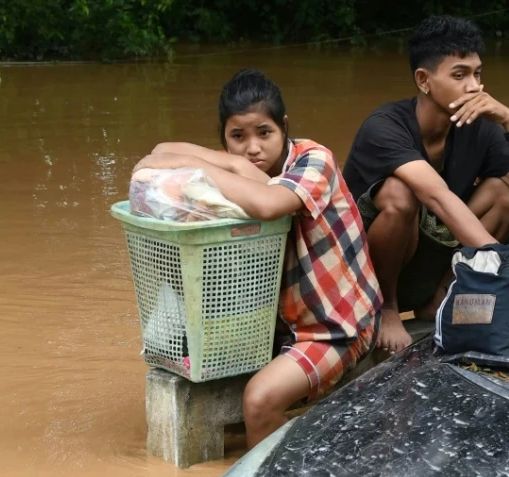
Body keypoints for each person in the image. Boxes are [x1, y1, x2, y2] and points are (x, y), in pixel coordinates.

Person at [132, 68, 383, 448]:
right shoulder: (235, 165)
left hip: (338, 326)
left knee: (259, 401)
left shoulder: (315, 161)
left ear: (284, 127)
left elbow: (268, 202)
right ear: (224, 138)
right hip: (280, 324)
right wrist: (229, 165)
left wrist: (210, 168)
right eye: (238, 137)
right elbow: (156, 155)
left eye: (264, 133)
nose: (253, 148)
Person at [342, 15, 509, 354]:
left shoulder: (479, 127)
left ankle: (442, 298)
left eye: (477, 73)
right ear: (424, 81)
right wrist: (504, 261)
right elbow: (437, 196)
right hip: (370, 274)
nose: (475, 86)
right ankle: (388, 309)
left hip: (430, 265)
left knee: (505, 195)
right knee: (400, 193)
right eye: (460, 75)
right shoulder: (384, 127)